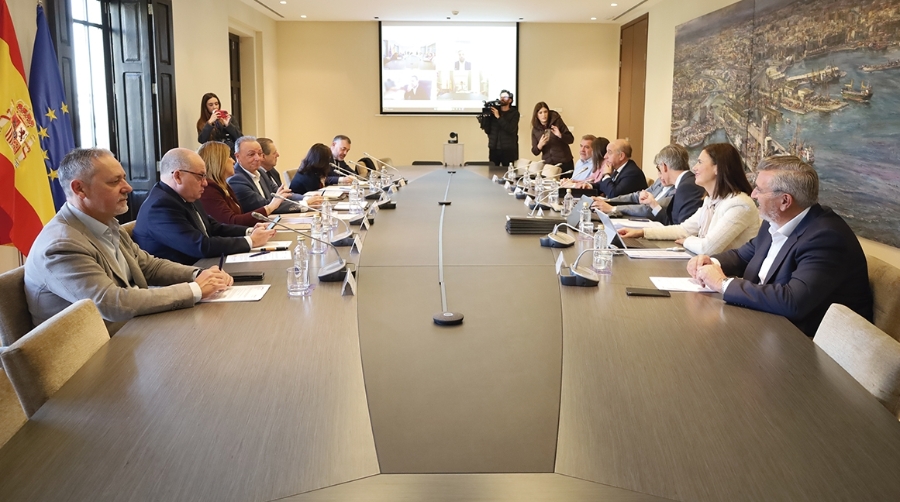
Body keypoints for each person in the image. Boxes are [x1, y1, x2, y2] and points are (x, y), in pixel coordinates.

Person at [24, 148, 232, 328]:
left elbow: (148, 266)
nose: (128, 187)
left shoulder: (107, 221)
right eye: (115, 181)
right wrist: (194, 289)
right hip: (99, 352)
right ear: (79, 189)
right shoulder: (61, 245)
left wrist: (198, 274)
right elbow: (111, 303)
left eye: (123, 178)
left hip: (131, 328)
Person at [687, 155, 873, 337]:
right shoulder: (773, 221)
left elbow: (792, 302)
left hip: (804, 343)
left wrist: (722, 283)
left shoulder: (827, 238)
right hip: (766, 323)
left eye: (759, 189)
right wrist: (709, 262)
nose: (753, 194)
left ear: (785, 201)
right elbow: (744, 255)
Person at [133, 148, 276, 266]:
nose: (205, 183)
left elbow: (213, 227)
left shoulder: (184, 195)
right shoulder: (160, 206)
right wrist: (251, 241)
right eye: (200, 176)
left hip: (204, 268)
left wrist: (250, 231)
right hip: (178, 283)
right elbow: (200, 246)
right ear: (177, 176)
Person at [618, 143, 759, 255]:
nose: (694, 168)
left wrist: (687, 241)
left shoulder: (739, 204)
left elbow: (708, 247)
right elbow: (684, 229)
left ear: (718, 168)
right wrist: (642, 232)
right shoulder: (711, 200)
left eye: (700, 162)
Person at [594, 144, 705, 224]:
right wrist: (607, 201)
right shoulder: (666, 182)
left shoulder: (685, 186)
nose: (695, 167)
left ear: (664, 166)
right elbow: (639, 197)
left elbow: (676, 226)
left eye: (700, 162)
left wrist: (613, 209)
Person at [198, 142, 283, 226]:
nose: (233, 161)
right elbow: (231, 221)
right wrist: (270, 207)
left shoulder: (224, 186)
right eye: (229, 157)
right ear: (218, 162)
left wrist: (251, 230)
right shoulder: (209, 189)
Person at [228, 136, 312, 213]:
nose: (258, 158)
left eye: (260, 153)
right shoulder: (235, 179)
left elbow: (282, 194)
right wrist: (303, 204)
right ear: (237, 156)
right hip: (256, 226)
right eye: (251, 154)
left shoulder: (261, 172)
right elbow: (265, 205)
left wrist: (306, 198)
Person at [477, 89, 519, 167]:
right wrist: (485, 118)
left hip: (508, 150)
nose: (502, 99)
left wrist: (498, 117)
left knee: (508, 173)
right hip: (494, 148)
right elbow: (488, 131)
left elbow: (510, 129)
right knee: (492, 173)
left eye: (505, 97)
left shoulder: (514, 113)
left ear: (510, 100)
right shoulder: (494, 112)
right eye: (501, 97)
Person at [530, 102, 575, 173]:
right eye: (540, 113)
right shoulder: (535, 129)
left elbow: (571, 139)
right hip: (549, 165)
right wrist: (540, 145)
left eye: (545, 112)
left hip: (565, 163)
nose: (543, 115)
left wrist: (560, 135)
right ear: (536, 115)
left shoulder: (557, 122)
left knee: (566, 183)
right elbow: (535, 152)